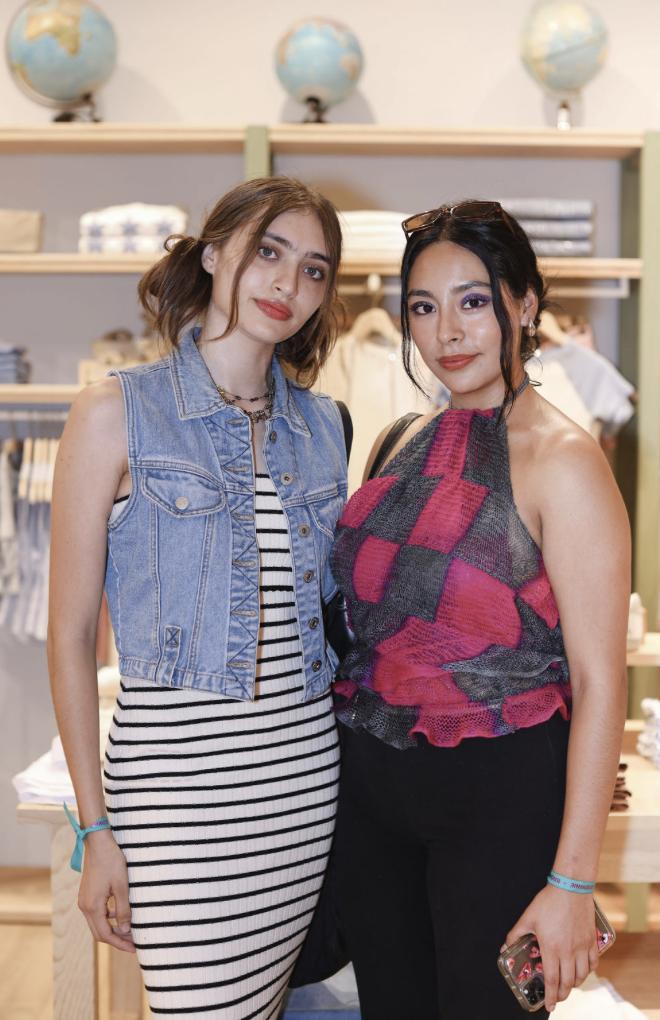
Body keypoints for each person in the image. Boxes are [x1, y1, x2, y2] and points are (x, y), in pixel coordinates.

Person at [47, 176, 348, 1019]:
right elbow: (67, 637)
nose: (288, 283)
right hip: (176, 805)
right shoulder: (116, 412)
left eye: (314, 269)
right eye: (269, 251)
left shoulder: (325, 426)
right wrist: (95, 829)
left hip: (301, 788)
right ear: (214, 254)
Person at [330, 200, 630, 1020]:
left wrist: (573, 880)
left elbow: (600, 682)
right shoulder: (399, 440)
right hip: (373, 795)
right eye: (423, 307)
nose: (447, 331)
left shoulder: (565, 460)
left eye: (472, 300)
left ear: (525, 305)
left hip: (500, 796)